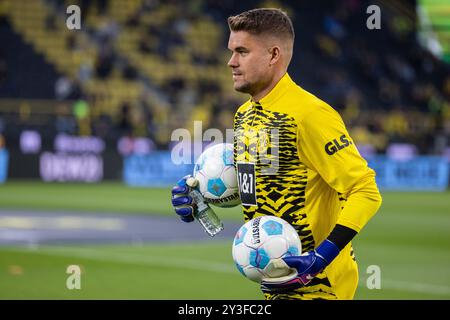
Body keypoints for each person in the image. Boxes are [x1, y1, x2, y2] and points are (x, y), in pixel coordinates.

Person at [172, 8, 382, 300]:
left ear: (273, 55)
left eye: (242, 52)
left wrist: (320, 257)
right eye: (232, 51)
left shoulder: (310, 114)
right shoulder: (243, 115)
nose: (230, 62)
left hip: (319, 289)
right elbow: (263, 190)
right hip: (277, 288)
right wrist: (202, 198)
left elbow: (366, 191)